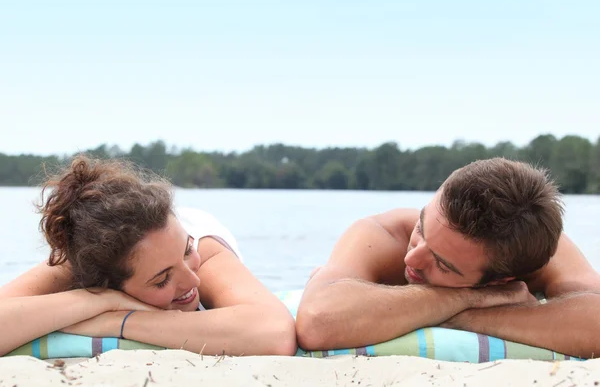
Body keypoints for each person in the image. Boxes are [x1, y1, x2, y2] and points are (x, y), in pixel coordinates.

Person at [296, 157, 600, 358]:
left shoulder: (532, 248)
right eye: (422, 227)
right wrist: (470, 298)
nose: (412, 258)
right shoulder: (385, 234)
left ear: (503, 279)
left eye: (442, 264)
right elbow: (318, 321)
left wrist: (468, 317)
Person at [0, 155, 297, 357]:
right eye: (162, 279)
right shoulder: (86, 261)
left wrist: (114, 322)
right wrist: (99, 300)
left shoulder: (203, 247)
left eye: (185, 251)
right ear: (107, 282)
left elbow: (274, 332)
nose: (192, 278)